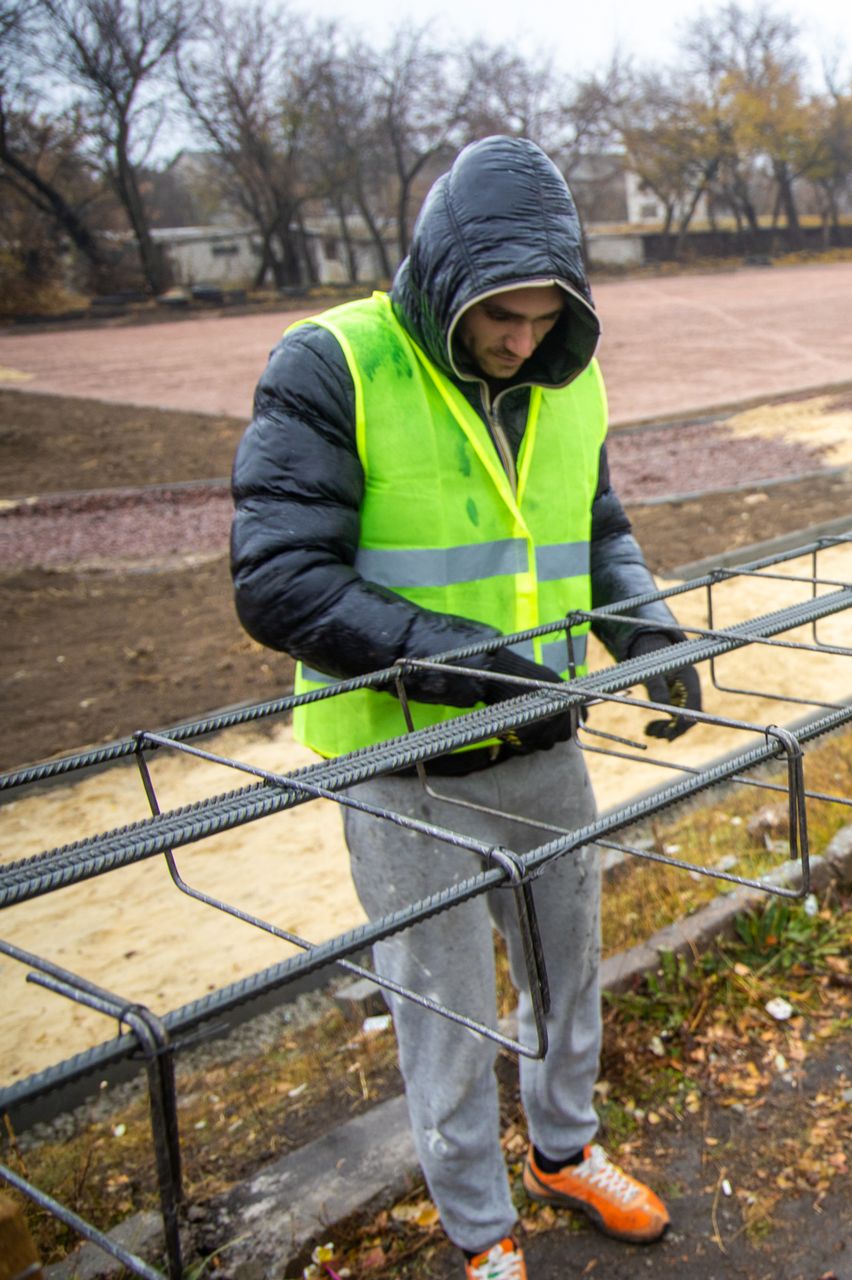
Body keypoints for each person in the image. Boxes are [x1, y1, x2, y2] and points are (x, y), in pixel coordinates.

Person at [231, 136, 702, 1280]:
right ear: (447, 278)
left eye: (546, 318)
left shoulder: (569, 374)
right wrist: (457, 660)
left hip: (538, 738)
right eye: (502, 315)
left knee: (565, 972)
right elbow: (278, 577)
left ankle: (564, 1150)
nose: (522, 341)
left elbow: (593, 521)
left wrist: (645, 628)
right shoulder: (335, 362)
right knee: (443, 1009)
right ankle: (480, 1229)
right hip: (403, 759)